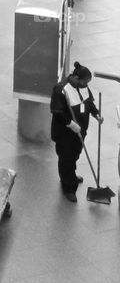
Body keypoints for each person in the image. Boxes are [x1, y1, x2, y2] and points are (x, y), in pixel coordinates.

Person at [50, 61, 102, 201]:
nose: (86, 85)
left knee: (74, 155)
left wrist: (96, 114)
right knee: (66, 158)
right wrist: (71, 124)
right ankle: (69, 187)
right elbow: (57, 113)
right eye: (85, 82)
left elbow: (89, 103)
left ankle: (70, 174)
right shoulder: (61, 89)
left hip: (80, 132)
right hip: (65, 134)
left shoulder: (83, 86)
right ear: (76, 78)